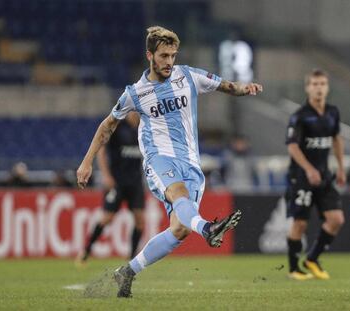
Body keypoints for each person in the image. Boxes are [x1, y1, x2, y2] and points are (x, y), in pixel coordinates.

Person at [76, 26, 263, 298]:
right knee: (179, 197)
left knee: (180, 229)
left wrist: (244, 89)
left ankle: (127, 271)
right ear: (149, 55)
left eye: (173, 55)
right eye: (163, 55)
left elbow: (227, 86)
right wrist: (86, 162)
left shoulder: (188, 76)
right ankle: (208, 229)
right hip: (159, 159)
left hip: (191, 163)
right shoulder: (136, 93)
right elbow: (107, 126)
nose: (169, 62)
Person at [285, 69, 345, 281]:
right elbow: (292, 146)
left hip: (325, 176)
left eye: (322, 84)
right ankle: (294, 268)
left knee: (336, 219)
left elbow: (336, 139)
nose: (319, 88)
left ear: (327, 87)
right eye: (315, 84)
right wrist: (309, 169)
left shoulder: (332, 112)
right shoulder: (300, 116)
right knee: (300, 223)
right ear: (307, 88)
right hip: (301, 176)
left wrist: (341, 167)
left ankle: (312, 258)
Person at [76, 112, 145, 266]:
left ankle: (131, 259)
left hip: (135, 182)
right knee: (107, 218)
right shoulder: (119, 128)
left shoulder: (143, 127)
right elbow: (101, 150)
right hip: (116, 182)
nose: (136, 114)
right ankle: (86, 251)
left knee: (140, 220)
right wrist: (106, 175)